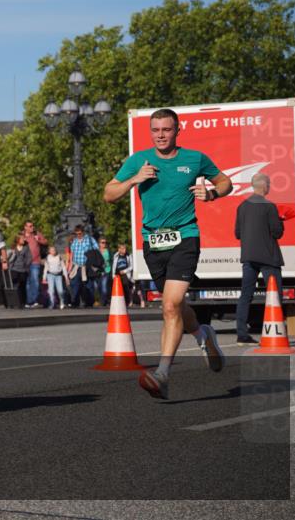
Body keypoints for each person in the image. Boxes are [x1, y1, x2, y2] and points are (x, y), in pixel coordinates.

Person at [105, 108, 233, 400]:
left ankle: (162, 373)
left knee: (170, 305)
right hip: (153, 243)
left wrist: (212, 193)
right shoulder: (139, 160)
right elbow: (109, 194)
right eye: (155, 130)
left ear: (177, 130)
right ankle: (203, 335)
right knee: (175, 305)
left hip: (185, 237)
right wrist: (134, 179)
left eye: (166, 129)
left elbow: (225, 182)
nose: (160, 135)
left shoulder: (194, 159)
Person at [234, 173, 284, 345]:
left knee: (246, 296)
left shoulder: (242, 206)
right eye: (269, 184)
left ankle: (242, 335)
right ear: (265, 186)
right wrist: (281, 220)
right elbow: (277, 232)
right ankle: (274, 332)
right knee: (275, 296)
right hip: (268, 258)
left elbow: (237, 234)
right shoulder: (269, 206)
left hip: (248, 257)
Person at [67, 225, 99, 308]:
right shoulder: (74, 241)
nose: (78, 235)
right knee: (74, 284)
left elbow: (97, 250)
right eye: (76, 234)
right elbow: (72, 254)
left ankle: (89, 302)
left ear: (83, 232)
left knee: (88, 285)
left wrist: (94, 264)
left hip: (87, 266)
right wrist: (69, 268)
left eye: (80, 233)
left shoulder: (90, 239)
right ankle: (75, 302)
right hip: (77, 266)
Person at [22, 221, 48, 307]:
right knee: (28, 282)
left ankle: (34, 300)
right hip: (25, 263)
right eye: (30, 226)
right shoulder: (22, 235)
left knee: (35, 281)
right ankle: (29, 301)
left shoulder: (37, 234)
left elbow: (46, 242)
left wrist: (38, 240)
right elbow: (15, 245)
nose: (32, 227)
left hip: (35, 261)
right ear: (25, 227)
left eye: (32, 226)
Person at [7, 235, 33, 308]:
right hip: (14, 269)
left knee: (22, 286)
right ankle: (14, 302)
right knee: (15, 285)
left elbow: (29, 257)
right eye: (22, 239)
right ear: (18, 240)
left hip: (23, 269)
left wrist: (26, 264)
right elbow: (8, 256)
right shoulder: (13, 247)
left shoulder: (26, 248)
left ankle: (22, 302)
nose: (23, 240)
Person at [44, 245, 66, 309]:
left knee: (60, 290)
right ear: (49, 251)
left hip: (58, 275)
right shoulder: (48, 257)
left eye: (54, 250)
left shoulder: (59, 257)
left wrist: (66, 276)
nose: (53, 251)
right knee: (51, 291)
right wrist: (44, 277)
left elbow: (63, 267)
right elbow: (46, 268)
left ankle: (62, 302)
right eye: (51, 250)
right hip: (50, 275)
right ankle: (52, 303)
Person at [97, 238, 112, 306]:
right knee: (99, 287)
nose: (104, 244)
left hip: (107, 270)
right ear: (99, 244)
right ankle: (103, 300)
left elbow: (111, 260)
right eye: (102, 242)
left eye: (105, 242)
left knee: (104, 286)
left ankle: (103, 302)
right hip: (98, 272)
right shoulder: (97, 251)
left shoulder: (108, 251)